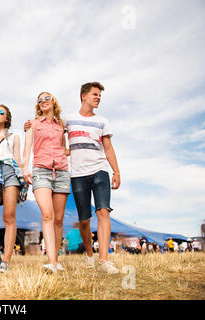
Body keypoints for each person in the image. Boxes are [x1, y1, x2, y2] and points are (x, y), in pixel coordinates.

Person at [64, 82, 121, 273]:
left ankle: (104, 261)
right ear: (83, 96)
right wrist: (31, 124)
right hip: (78, 174)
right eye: (95, 95)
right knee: (84, 220)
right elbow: (52, 131)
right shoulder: (68, 119)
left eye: (100, 96)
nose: (98, 98)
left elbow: (108, 148)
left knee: (103, 212)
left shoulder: (103, 121)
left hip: (100, 170)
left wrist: (116, 171)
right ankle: (90, 255)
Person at [22, 91, 70, 274]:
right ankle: (51, 262)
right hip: (41, 171)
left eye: (46, 98)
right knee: (47, 215)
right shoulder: (32, 124)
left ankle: (55, 261)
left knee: (58, 219)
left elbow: (65, 148)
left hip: (62, 172)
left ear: (54, 102)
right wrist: (25, 169)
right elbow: (27, 150)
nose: (43, 101)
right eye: (40, 100)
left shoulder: (61, 125)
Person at [0, 104, 27, 272]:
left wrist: (24, 174)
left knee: (9, 216)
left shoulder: (14, 136)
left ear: (7, 117)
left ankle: (6, 260)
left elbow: (17, 159)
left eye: (1, 112)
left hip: (10, 171)